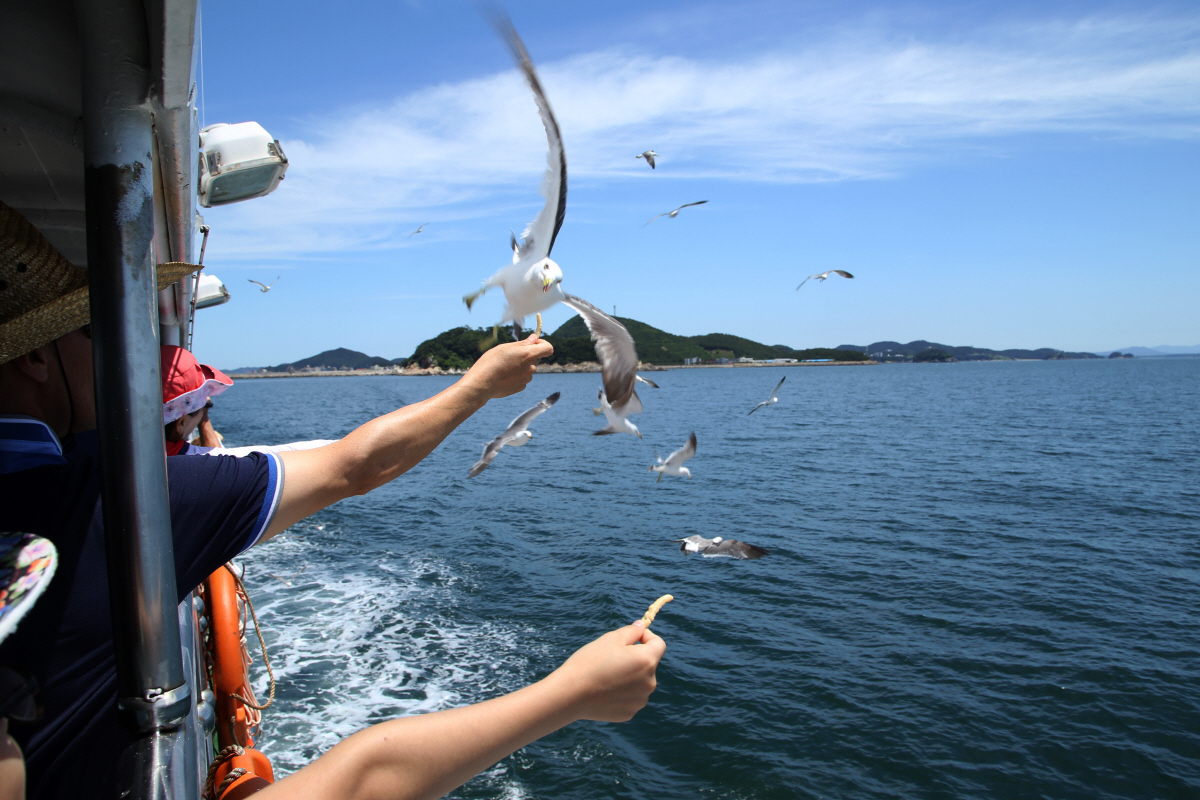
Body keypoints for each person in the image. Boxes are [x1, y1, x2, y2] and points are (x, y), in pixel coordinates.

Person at [0, 200, 666, 798]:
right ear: (33, 359)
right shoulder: (122, 508)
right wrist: (479, 388)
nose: (116, 351)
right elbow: (355, 467)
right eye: (87, 332)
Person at [159, 344, 335, 457]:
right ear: (181, 423)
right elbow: (219, 459)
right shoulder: (186, 463)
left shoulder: (148, 453)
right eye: (203, 405)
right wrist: (204, 418)